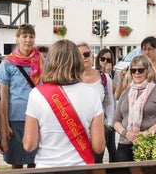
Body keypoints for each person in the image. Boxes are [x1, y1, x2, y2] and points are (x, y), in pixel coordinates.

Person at [23, 39, 105, 168]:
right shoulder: (92, 94)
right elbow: (99, 147)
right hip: (80, 167)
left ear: (50, 62)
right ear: (78, 62)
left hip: (46, 168)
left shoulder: (36, 94)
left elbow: (29, 145)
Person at [0, 24, 44, 169]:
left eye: (31, 36)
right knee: (17, 161)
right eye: (24, 36)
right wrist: (5, 124)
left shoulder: (40, 60)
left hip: (37, 116)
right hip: (16, 118)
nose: (28, 40)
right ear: (17, 39)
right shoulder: (7, 63)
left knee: (34, 161)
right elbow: (4, 95)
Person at [114, 55, 156, 162]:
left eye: (140, 70)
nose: (136, 73)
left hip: (151, 145)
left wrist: (146, 133)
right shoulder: (126, 92)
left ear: (148, 71)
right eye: (133, 70)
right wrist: (126, 133)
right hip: (125, 145)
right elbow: (116, 120)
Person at [94, 48, 117, 163]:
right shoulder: (94, 75)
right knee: (99, 151)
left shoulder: (112, 74)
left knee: (112, 147)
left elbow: (116, 93)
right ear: (98, 59)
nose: (105, 62)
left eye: (109, 60)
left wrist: (108, 75)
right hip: (99, 118)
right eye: (103, 59)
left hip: (111, 115)